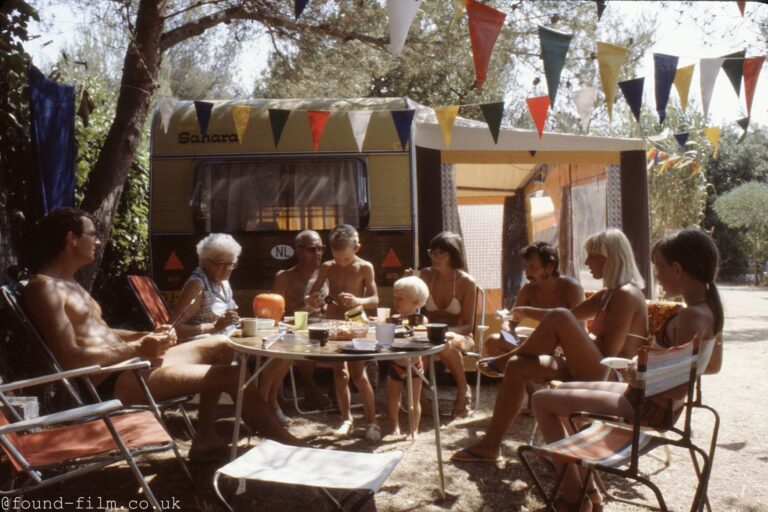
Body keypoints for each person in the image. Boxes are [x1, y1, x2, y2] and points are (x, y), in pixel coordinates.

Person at [24, 208, 302, 463]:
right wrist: (139, 349)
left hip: (131, 365)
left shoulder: (69, 283)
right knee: (232, 376)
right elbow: (71, 359)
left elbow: (103, 333)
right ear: (72, 239)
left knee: (221, 343)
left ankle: (205, 438)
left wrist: (144, 335)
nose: (98, 241)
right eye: (92, 235)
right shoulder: (45, 288)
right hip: (113, 380)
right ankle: (291, 449)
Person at [530, 229, 724, 512]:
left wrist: (640, 373)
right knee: (559, 395)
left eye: (658, 268)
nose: (656, 275)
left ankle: (573, 499)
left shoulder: (692, 317)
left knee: (541, 400)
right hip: (652, 401)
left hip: (648, 406)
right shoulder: (709, 309)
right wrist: (649, 369)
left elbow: (678, 386)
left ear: (678, 268)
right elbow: (712, 367)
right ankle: (590, 495)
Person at [451, 228, 648, 463]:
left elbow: (611, 352)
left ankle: (502, 360)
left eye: (591, 256)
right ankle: (490, 446)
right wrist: (547, 331)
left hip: (612, 376)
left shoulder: (626, 294)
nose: (586, 262)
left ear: (610, 258)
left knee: (559, 318)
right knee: (518, 366)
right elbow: (566, 318)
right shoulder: (608, 294)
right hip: (591, 366)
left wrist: (566, 339)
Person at [306, 224, 380, 441]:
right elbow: (314, 293)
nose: (341, 262)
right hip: (333, 318)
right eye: (337, 258)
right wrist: (319, 299)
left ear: (357, 247)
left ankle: (372, 421)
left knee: (359, 375)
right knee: (340, 373)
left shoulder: (365, 267)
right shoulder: (328, 267)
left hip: (356, 316)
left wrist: (359, 301)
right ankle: (346, 419)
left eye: (346, 259)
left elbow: (375, 299)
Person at [265, 230, 333, 418]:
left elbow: (332, 304)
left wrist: (329, 307)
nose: (318, 254)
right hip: (296, 327)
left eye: (321, 249)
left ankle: (334, 391)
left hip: (326, 326)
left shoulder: (326, 275)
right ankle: (312, 389)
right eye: (312, 249)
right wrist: (305, 305)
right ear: (298, 251)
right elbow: (276, 315)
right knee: (298, 340)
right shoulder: (285, 277)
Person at [484, 241, 584, 358]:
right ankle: (523, 367)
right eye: (525, 267)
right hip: (543, 342)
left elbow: (579, 330)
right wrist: (508, 334)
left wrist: (527, 313)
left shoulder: (572, 288)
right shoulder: (529, 288)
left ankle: (529, 365)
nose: (527, 272)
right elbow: (510, 320)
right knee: (492, 342)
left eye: (532, 267)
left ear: (549, 267)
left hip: (567, 344)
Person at [416, 231, 477, 418]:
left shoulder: (466, 282)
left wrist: (445, 331)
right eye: (433, 252)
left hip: (460, 335)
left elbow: (468, 325)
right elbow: (412, 308)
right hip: (429, 335)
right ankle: (418, 396)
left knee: (447, 341)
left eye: (441, 253)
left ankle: (463, 390)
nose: (436, 257)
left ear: (454, 255)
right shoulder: (426, 275)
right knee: (419, 346)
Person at [170, 233, 241, 341]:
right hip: (205, 349)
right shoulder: (197, 285)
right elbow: (173, 328)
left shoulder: (223, 281)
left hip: (228, 343)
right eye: (221, 263)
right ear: (205, 262)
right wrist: (212, 327)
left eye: (231, 264)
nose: (227, 269)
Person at [385, 276, 430, 436]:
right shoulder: (394, 318)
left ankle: (414, 429)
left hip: (414, 366)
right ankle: (394, 426)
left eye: (401, 298)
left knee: (413, 401)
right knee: (392, 399)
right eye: (394, 297)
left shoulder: (419, 319)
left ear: (416, 302)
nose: (396, 302)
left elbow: (420, 337)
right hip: (395, 364)